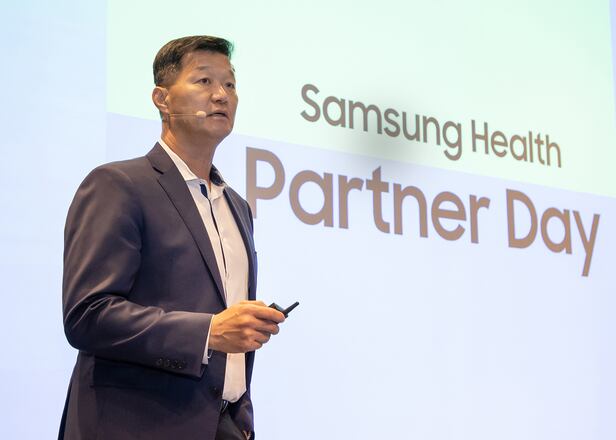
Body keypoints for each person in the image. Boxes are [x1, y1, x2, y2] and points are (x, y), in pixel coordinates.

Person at [59, 35, 285, 440]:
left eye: (230, 84)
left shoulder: (237, 206)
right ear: (162, 99)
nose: (221, 95)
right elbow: (88, 315)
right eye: (204, 81)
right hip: (134, 427)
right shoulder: (118, 184)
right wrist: (208, 332)